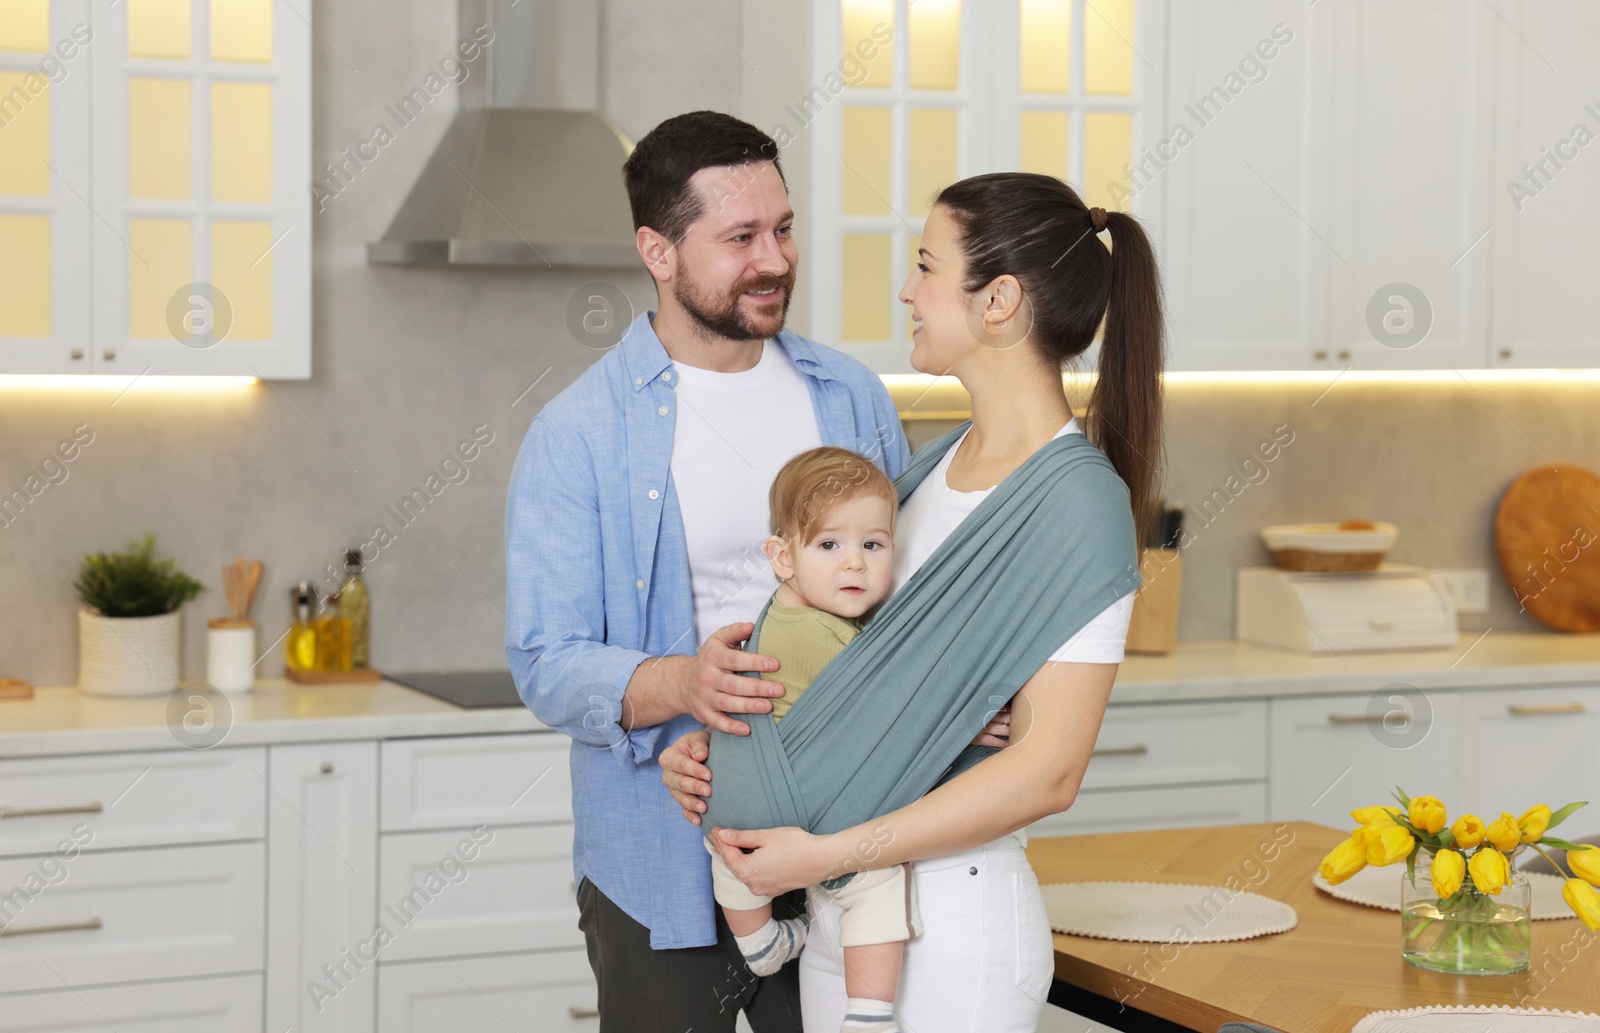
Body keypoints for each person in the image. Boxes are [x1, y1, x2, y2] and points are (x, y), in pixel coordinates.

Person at [661, 172, 1165, 1031]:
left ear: (999, 300)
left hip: (951, 926)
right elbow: (858, 689)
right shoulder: (931, 471)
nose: (906, 289)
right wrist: (730, 757)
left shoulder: (1076, 502)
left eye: (927, 265)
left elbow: (1048, 771)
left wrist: (829, 849)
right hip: (844, 910)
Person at [505, 110, 912, 1032]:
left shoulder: (849, 396)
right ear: (657, 250)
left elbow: (908, 600)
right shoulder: (579, 435)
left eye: (783, 228)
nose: (774, 259)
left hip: (837, 838)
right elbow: (545, 659)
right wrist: (688, 680)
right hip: (657, 855)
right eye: (740, 238)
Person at [704, 446, 918, 1033]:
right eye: (829, 545)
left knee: (728, 852)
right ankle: (871, 1014)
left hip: (731, 816)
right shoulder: (821, 635)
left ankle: (761, 942)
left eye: (872, 546)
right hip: (802, 811)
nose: (854, 564)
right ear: (782, 557)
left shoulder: (781, 612)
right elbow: (897, 709)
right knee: (877, 878)